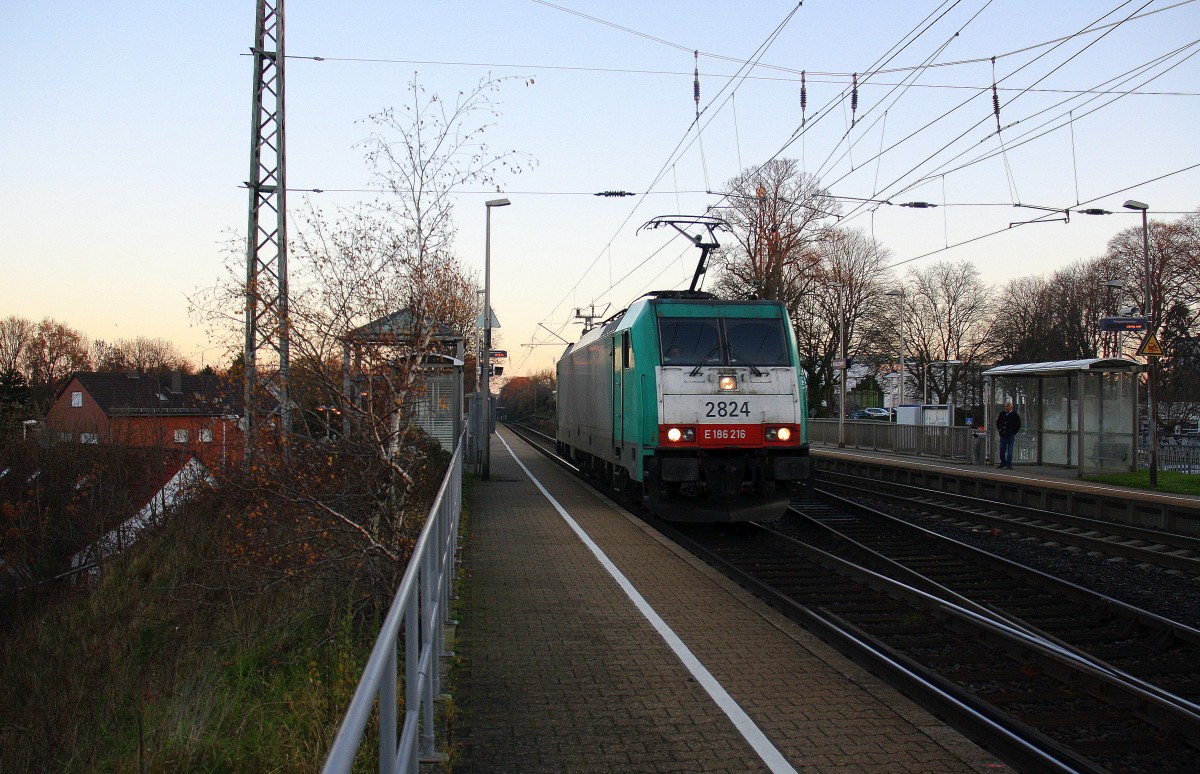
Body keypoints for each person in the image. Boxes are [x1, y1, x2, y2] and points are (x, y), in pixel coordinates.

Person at [995, 400, 1021, 469]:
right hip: (1003, 434)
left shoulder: (1015, 415)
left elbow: (1018, 425)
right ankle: (1003, 462)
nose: (1006, 408)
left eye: (1007, 406)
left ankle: (1009, 464)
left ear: (1011, 407)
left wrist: (1013, 432)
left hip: (1010, 435)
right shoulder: (1002, 414)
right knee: (1002, 449)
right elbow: (998, 422)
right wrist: (1000, 430)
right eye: (1005, 406)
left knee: (1010, 450)